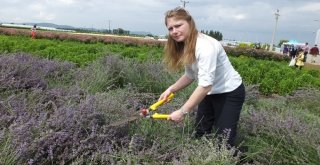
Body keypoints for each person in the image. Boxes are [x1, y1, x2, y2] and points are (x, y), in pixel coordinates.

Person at [159, 6, 245, 147]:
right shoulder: (186, 45)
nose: (174, 31)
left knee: (224, 140)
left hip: (229, 92)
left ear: (190, 23)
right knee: (201, 131)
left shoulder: (205, 46)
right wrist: (171, 89)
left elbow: (205, 85)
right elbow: (191, 74)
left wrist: (182, 111)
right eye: (170, 28)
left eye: (178, 25)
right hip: (210, 92)